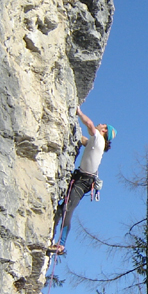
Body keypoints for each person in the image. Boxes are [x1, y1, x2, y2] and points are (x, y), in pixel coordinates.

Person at [49, 106, 116, 255]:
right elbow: (84, 140)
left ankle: (61, 244)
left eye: (103, 125)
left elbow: (90, 124)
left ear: (104, 131)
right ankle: (56, 226)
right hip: (83, 179)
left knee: (68, 209)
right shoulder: (96, 142)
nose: (100, 124)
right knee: (64, 208)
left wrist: (78, 112)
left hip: (83, 181)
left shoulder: (98, 139)